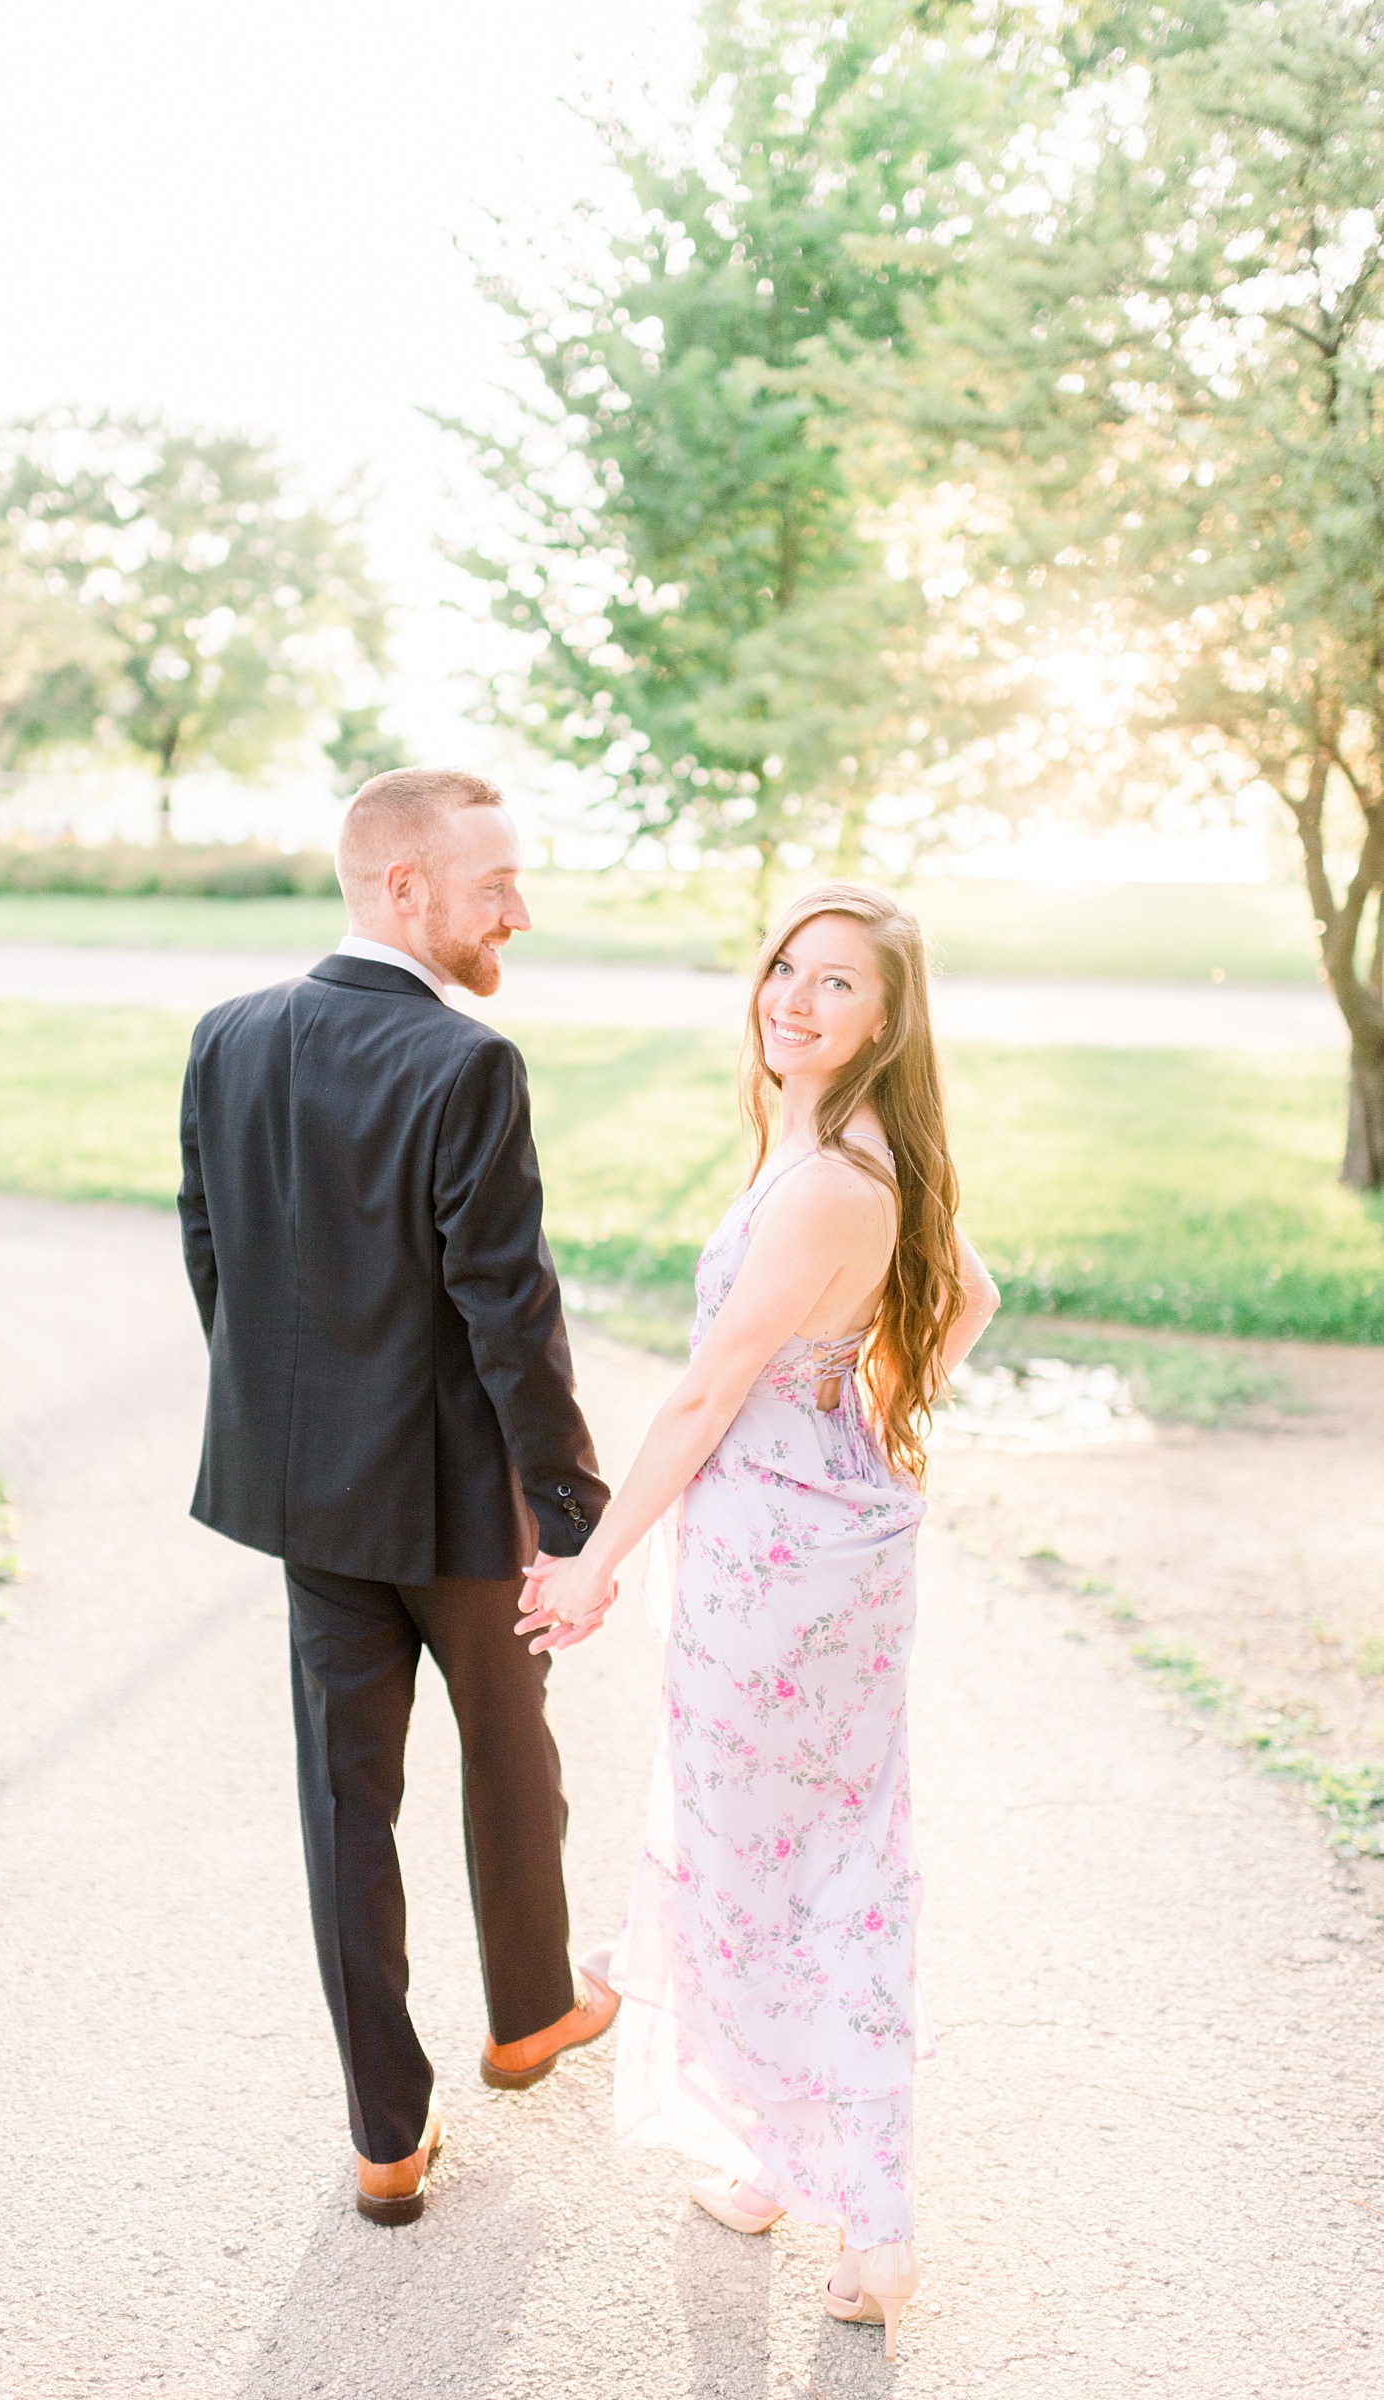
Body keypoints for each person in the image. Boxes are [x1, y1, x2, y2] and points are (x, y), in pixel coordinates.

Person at [519, 882, 999, 2356]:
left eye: (836, 985)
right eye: (786, 967)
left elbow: (706, 1391)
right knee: (811, 1857)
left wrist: (593, 1561)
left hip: (775, 1567)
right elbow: (967, 1296)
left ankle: (866, 2216)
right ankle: (782, 2164)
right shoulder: (841, 1150)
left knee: (780, 1870)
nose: (793, 997)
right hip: (819, 1549)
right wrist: (862, 1412)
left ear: (885, 1020)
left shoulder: (827, 1182)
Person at [178, 767, 619, 2227]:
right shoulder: (465, 1065)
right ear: (404, 890)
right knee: (511, 1755)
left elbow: (215, 1266)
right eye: (497, 885)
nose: (520, 911)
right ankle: (528, 2016)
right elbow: (510, 1311)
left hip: (306, 1506)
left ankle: (384, 2134)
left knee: (341, 1799)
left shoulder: (226, 1038)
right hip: (445, 1508)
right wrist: (570, 1513)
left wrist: (288, 1435)